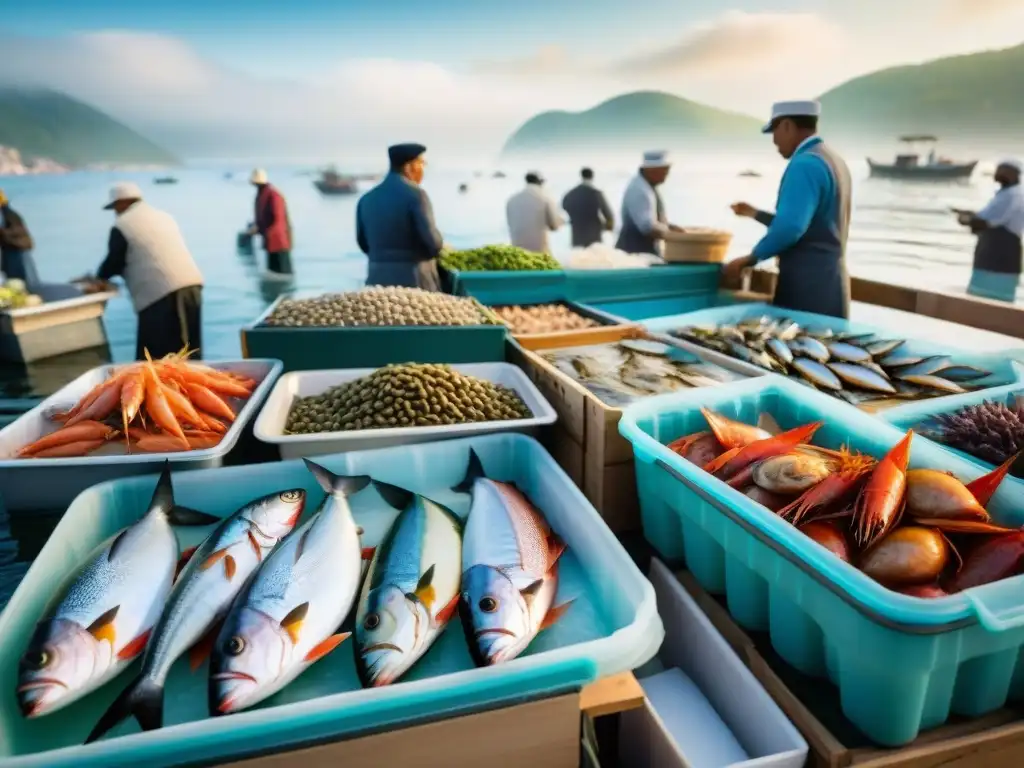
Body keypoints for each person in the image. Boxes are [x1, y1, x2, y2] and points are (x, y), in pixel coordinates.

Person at [725, 100, 852, 319]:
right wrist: (756, 214)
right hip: (832, 285)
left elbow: (791, 227)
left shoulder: (804, 164)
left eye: (774, 131)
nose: (774, 141)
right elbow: (811, 225)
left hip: (807, 290)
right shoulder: (833, 160)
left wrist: (750, 259)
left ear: (786, 126)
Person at [94, 182, 205, 360]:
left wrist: (99, 278)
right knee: (191, 353)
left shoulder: (122, 225)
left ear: (122, 203)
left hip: (160, 295)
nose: (115, 212)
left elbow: (114, 261)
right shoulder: (164, 216)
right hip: (192, 286)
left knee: (159, 360)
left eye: (115, 207)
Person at [356, 143, 444, 290]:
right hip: (415, 284)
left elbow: (363, 243)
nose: (423, 170)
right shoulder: (417, 196)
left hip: (376, 285)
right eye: (421, 163)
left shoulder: (366, 199)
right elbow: (433, 245)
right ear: (409, 167)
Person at [956, 159, 1024, 302]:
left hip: (998, 258)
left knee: (988, 303)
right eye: (998, 169)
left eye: (1003, 170)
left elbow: (987, 222)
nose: (998, 173)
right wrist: (972, 216)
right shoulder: (1005, 194)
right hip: (994, 257)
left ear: (1014, 174)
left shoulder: (1012, 195)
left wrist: (967, 219)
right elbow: (988, 217)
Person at [616, 150, 683, 255]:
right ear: (652, 170)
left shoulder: (646, 186)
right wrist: (673, 234)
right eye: (665, 170)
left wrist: (669, 227)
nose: (667, 174)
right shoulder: (640, 190)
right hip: (636, 255)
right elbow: (647, 227)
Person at [506, 172, 564, 254]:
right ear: (540, 182)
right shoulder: (545, 197)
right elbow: (554, 226)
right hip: (539, 252)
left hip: (517, 252)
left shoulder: (512, 200)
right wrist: (562, 220)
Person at [249, 169, 293, 276]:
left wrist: (264, 231)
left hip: (279, 241)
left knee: (283, 273)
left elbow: (278, 219)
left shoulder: (273, 195)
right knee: (273, 272)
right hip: (270, 241)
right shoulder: (262, 195)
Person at [562, 168, 615, 248]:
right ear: (592, 177)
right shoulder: (596, 193)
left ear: (581, 176)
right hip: (594, 232)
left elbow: (564, 205)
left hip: (577, 232)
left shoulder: (572, 193)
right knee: (593, 257)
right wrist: (609, 226)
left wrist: (573, 217)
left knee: (579, 257)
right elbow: (608, 213)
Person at [0, 189, 39, 290]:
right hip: (16, 250)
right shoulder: (9, 214)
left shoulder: (7, 215)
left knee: (23, 285)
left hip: (16, 250)